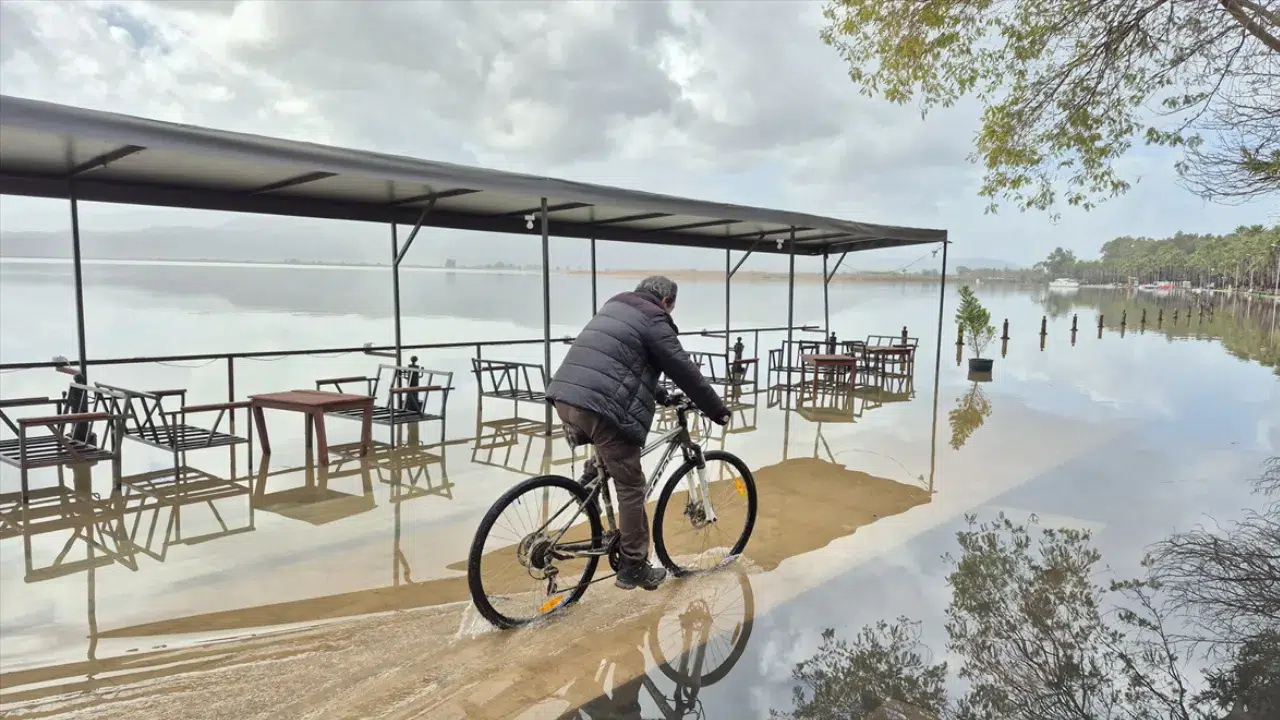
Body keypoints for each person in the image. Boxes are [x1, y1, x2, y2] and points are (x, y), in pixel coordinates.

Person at [545, 275, 730, 591]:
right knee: (631, 484)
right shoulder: (655, 318)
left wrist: (659, 395)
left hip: (566, 396)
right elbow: (682, 368)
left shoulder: (615, 305)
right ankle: (633, 567)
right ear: (667, 302)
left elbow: (622, 366)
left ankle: (586, 487)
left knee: (609, 454)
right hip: (599, 407)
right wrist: (717, 410)